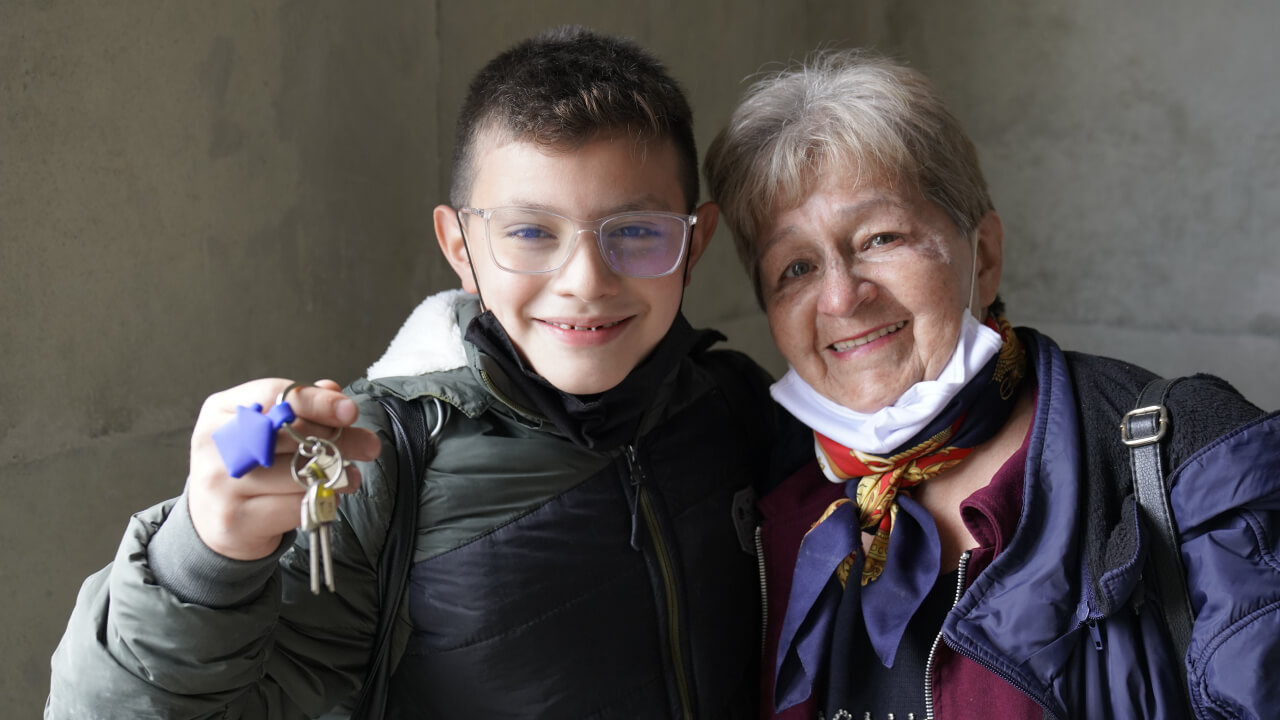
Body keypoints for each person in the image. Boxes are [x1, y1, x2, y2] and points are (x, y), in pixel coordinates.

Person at [47, 26, 779, 719]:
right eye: (529, 232)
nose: (586, 280)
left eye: (638, 232)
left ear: (696, 239)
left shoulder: (730, 402)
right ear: (459, 247)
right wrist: (202, 555)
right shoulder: (377, 466)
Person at [704, 49, 1280, 719]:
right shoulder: (766, 487)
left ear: (985, 256)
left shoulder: (1192, 463)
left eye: (880, 238)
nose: (840, 297)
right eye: (794, 268)